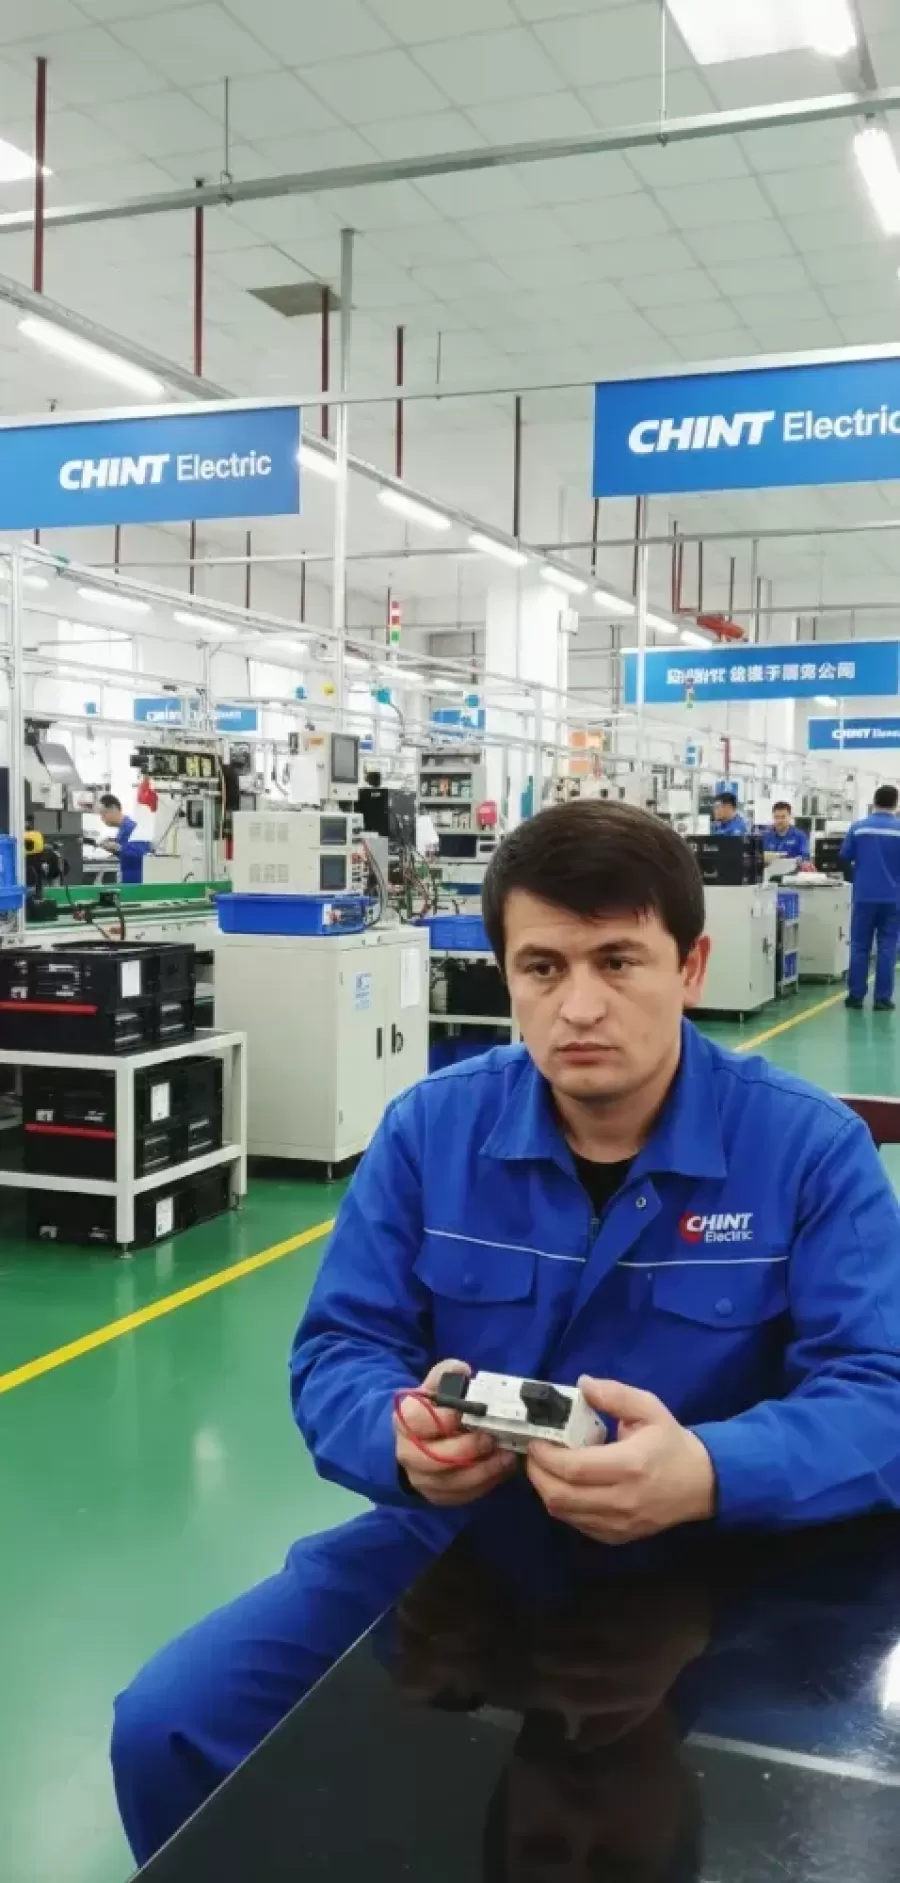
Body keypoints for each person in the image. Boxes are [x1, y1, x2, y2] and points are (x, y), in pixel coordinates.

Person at [111, 801, 900, 1865]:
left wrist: (711, 1469)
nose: (580, 1004)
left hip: (727, 1556)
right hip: (465, 1535)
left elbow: (880, 1390)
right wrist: (401, 1439)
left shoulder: (808, 1150)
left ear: (691, 965)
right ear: (507, 976)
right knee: (169, 1722)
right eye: (543, 966)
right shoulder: (430, 1131)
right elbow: (341, 1348)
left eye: (617, 960)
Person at [841, 784, 900, 1013]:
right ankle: (882, 999)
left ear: (874, 801)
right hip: (893, 898)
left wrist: (858, 878)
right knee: (887, 947)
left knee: (859, 946)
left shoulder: (858, 828)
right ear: (896, 803)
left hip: (864, 896)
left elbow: (844, 857)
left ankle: (855, 996)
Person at [97, 793, 147, 887]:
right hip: (127, 879)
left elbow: (141, 854)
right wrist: (113, 848)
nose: (102, 818)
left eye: (103, 813)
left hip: (136, 881)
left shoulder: (133, 828)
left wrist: (118, 848)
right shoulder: (122, 830)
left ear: (113, 808)